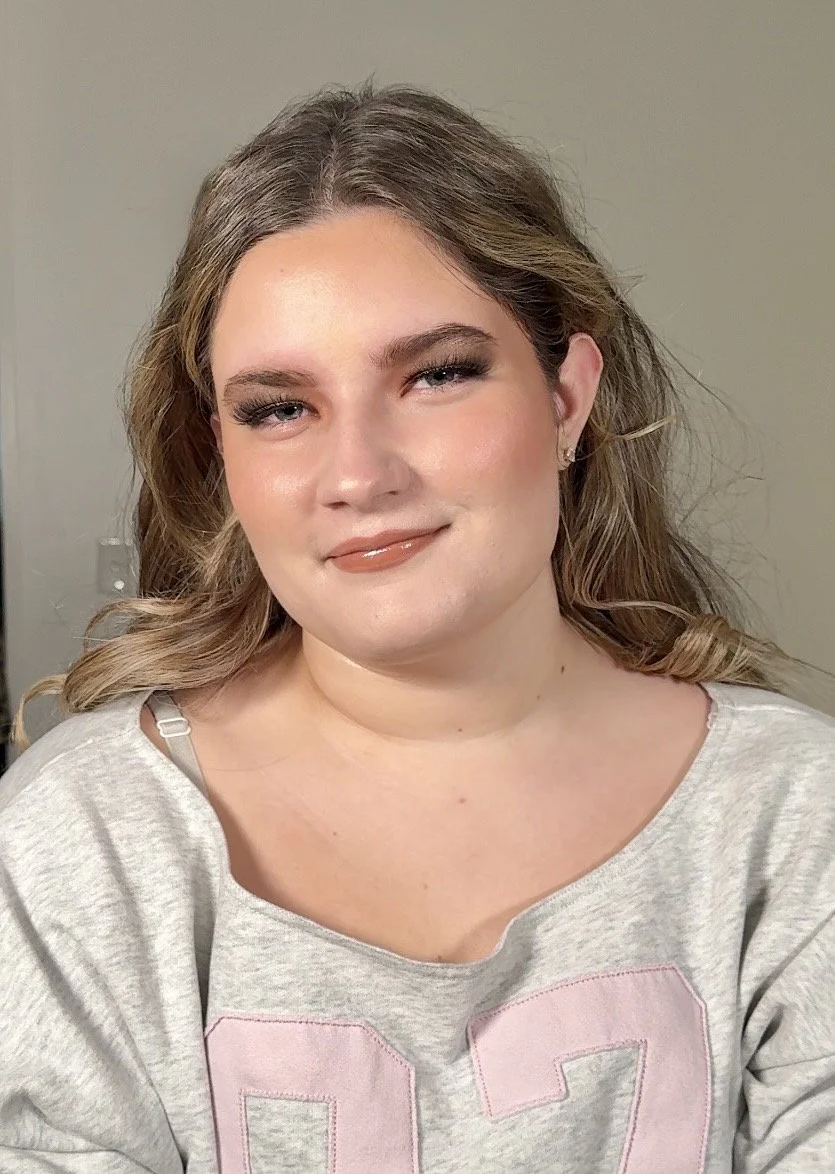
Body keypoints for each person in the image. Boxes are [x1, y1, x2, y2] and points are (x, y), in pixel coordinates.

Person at [1, 77, 833, 1172]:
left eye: (437, 373)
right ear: (222, 454)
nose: (357, 473)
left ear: (566, 396)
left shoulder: (789, 819)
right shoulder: (84, 839)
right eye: (279, 407)